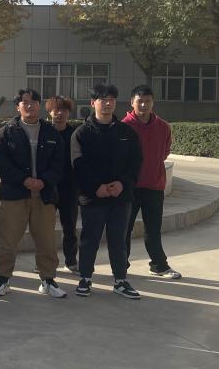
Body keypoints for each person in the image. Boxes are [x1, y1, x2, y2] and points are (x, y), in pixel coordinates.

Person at [0, 89, 67, 298]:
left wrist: (44, 181)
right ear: (18, 107)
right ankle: (3, 280)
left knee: (46, 241)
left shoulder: (51, 133)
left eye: (34, 102)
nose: (30, 106)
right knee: (8, 240)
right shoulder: (5, 133)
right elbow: (2, 163)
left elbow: (59, 163)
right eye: (25, 102)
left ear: (40, 106)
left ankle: (48, 280)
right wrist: (24, 180)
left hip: (44, 195)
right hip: (15, 194)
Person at [72, 84, 143, 299]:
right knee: (89, 239)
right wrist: (96, 188)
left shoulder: (126, 132)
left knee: (118, 240)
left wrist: (122, 183)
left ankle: (120, 280)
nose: (107, 103)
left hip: (120, 197)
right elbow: (77, 164)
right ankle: (85, 278)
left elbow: (135, 163)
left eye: (111, 99)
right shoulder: (82, 133)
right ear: (93, 103)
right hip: (93, 197)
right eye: (103, 99)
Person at [122, 85, 182, 280]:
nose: (143, 105)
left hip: (154, 186)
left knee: (153, 230)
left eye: (147, 101)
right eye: (139, 101)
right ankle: (121, 266)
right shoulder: (124, 126)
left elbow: (164, 152)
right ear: (132, 102)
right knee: (124, 229)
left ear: (152, 103)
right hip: (130, 187)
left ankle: (158, 266)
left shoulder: (163, 127)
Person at [46, 95, 80, 274]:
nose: (59, 114)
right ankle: (44, 261)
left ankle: (71, 261)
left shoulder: (75, 134)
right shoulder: (44, 132)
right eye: (56, 110)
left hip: (69, 188)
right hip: (47, 187)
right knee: (44, 228)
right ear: (49, 112)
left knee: (70, 228)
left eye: (64, 110)